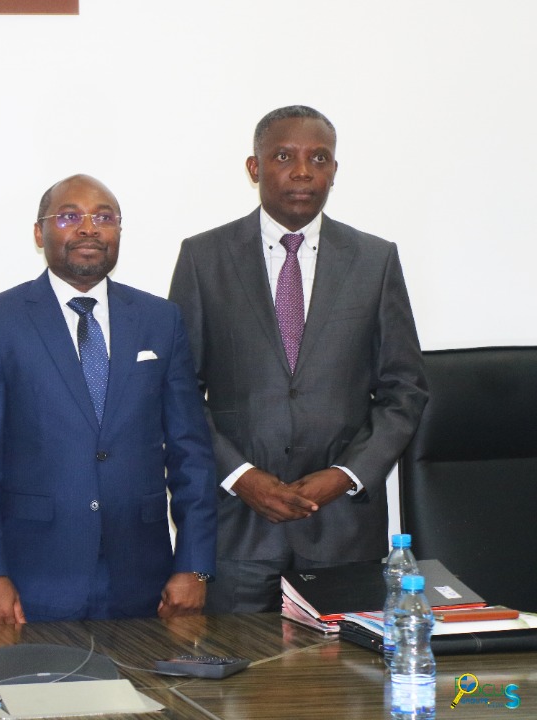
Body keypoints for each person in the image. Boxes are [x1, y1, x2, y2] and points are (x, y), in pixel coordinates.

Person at [168, 106, 429, 613]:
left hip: (343, 530)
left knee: (344, 667)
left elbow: (405, 388)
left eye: (319, 158)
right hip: (237, 529)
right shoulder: (204, 258)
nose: (303, 171)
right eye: (284, 156)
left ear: (335, 170)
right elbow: (179, 390)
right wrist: (240, 476)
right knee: (235, 666)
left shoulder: (375, 260)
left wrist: (347, 474)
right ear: (255, 167)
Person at [0, 174, 217, 624]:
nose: (89, 228)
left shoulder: (160, 319)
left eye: (104, 218)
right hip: (31, 579)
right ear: (39, 233)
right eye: (69, 216)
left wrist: (194, 564)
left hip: (144, 578)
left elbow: (191, 452)